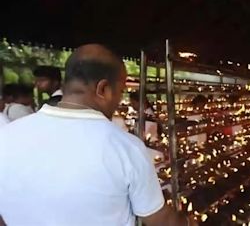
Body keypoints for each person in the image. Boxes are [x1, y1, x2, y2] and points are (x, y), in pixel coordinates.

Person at [0, 44, 195, 226]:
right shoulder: (125, 147)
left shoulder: (6, 136)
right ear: (103, 89)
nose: (119, 101)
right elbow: (159, 220)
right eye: (119, 92)